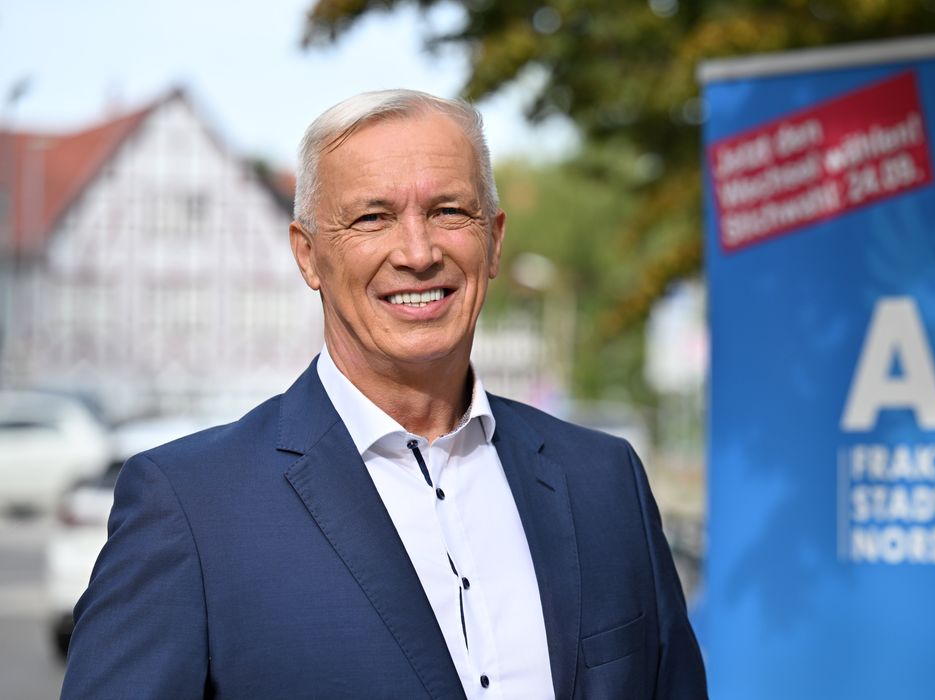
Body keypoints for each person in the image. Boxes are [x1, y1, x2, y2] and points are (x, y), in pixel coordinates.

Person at [61, 90, 706, 700]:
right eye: (373, 218)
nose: (418, 252)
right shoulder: (193, 510)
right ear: (308, 256)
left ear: (495, 242)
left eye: (449, 211)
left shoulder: (605, 481)